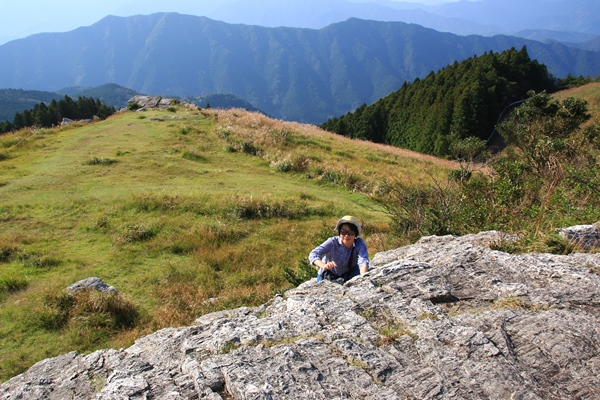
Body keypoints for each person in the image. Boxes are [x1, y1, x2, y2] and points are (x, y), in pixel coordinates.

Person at [309, 215, 369, 283]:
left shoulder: (359, 243)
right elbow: (314, 254)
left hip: (348, 272)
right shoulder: (332, 242)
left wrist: (363, 279)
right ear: (339, 232)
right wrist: (324, 265)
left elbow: (363, 261)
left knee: (357, 270)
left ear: (355, 234)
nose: (347, 235)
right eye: (343, 232)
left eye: (351, 232)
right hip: (329, 272)